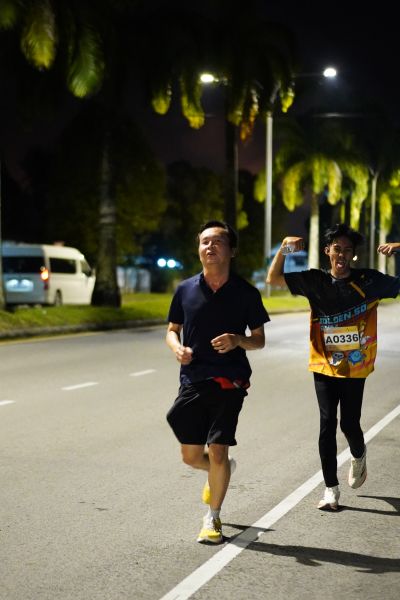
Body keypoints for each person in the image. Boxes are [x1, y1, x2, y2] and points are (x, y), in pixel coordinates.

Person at [267, 224, 400, 510]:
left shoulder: (369, 280)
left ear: (353, 255)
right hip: (323, 363)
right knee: (327, 423)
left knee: (349, 423)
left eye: (347, 250)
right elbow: (273, 279)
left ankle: (358, 454)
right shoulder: (315, 280)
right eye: (337, 248)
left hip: (355, 366)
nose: (341, 254)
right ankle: (331, 489)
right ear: (327, 251)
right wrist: (284, 249)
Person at [166, 220, 269, 543]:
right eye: (205, 242)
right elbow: (172, 330)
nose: (210, 246)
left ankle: (212, 518)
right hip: (193, 379)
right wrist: (177, 348)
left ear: (232, 251)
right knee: (190, 456)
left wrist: (238, 340)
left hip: (230, 381)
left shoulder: (246, 293)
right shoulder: (185, 289)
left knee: (218, 451)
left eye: (217, 242)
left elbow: (259, 339)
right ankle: (220, 469)